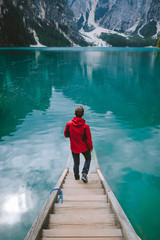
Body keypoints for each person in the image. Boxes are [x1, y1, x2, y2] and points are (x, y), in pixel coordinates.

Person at [64, 106, 93, 182]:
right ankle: (84, 174)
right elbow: (88, 139)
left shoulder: (69, 124)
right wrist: (90, 148)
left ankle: (76, 176)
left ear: (74, 114)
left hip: (74, 147)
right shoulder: (85, 127)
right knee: (88, 158)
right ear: (83, 114)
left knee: (76, 162)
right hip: (84, 147)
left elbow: (66, 135)